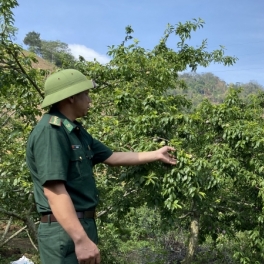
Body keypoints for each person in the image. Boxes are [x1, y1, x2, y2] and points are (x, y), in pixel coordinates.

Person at [26, 69, 177, 264]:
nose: (89, 100)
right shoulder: (51, 131)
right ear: (71, 98)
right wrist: (80, 239)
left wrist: (156, 154)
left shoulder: (75, 131)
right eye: (86, 94)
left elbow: (112, 157)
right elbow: (54, 190)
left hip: (79, 226)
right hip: (64, 230)